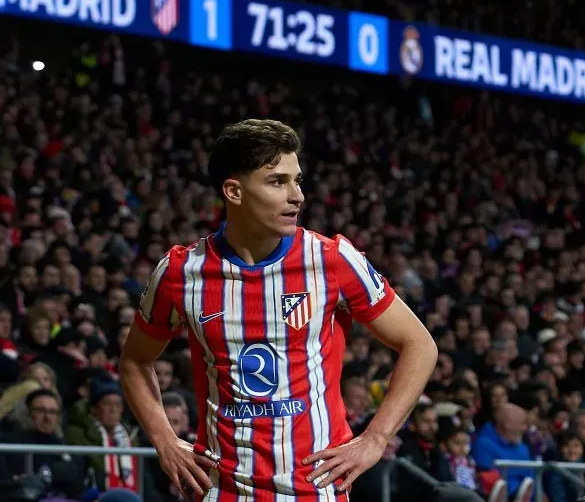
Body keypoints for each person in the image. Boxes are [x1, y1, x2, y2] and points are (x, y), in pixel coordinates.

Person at [120, 119, 438, 500]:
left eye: (297, 180)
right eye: (277, 182)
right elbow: (135, 361)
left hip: (316, 490)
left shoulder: (333, 260)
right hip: (223, 490)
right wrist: (164, 439)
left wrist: (375, 438)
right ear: (234, 192)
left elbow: (420, 344)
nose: (297, 195)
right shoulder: (179, 272)